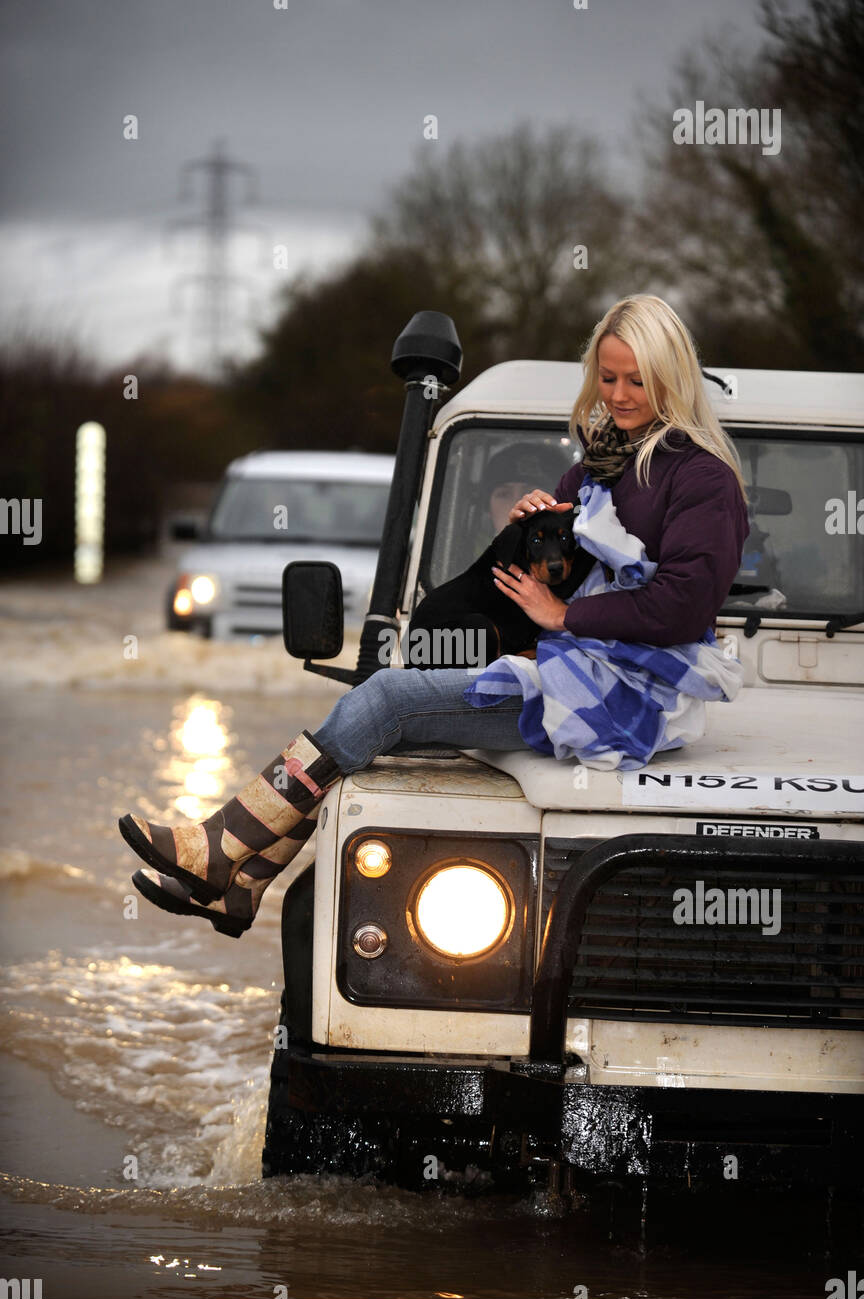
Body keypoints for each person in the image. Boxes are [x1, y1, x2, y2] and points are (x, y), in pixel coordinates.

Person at [120, 294, 749, 938]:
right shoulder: (596, 466)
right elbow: (548, 568)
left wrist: (563, 619)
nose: (618, 394)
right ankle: (243, 878)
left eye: (637, 380)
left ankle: (222, 846)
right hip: (571, 667)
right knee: (369, 729)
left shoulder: (702, 479)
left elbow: (684, 605)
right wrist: (533, 530)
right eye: (608, 377)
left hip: (623, 694)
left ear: (672, 376)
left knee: (389, 698)